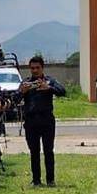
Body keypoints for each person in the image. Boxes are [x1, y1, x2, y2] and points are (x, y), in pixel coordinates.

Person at [19, 56, 66, 186]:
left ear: (42, 68)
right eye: (32, 68)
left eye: (37, 68)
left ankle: (50, 180)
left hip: (46, 120)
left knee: (48, 151)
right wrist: (22, 92)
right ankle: (36, 180)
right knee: (34, 152)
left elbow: (62, 91)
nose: (35, 71)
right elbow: (15, 99)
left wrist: (48, 88)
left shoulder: (49, 81)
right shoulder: (26, 83)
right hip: (31, 121)